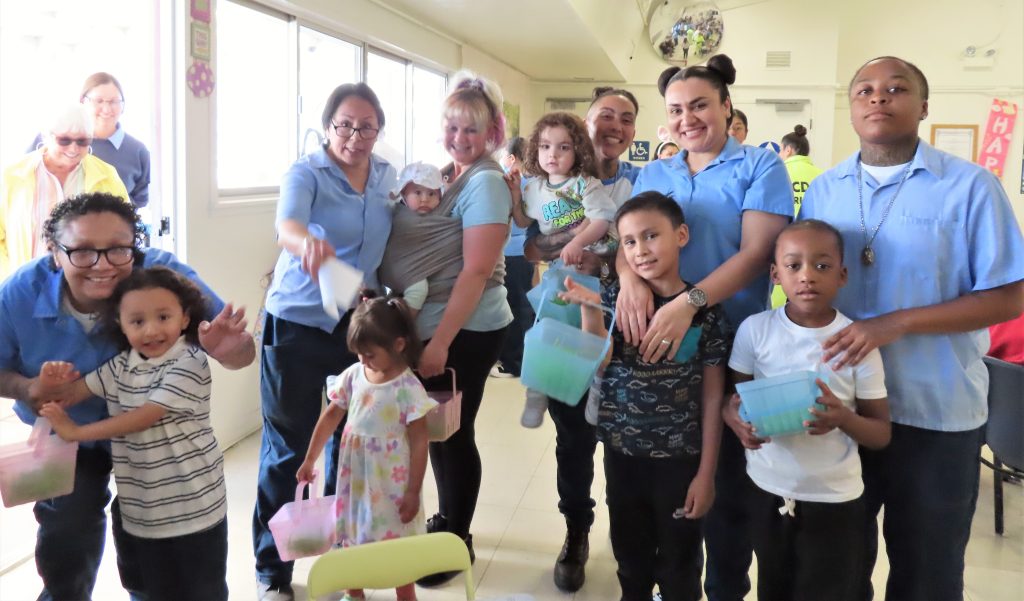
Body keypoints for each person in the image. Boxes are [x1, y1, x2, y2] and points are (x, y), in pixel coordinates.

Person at [800, 56, 1024, 601]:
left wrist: (895, 324)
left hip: (937, 414)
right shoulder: (825, 190)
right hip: (845, 409)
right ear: (851, 108)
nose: (879, 98)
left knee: (928, 575)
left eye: (896, 89)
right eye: (865, 90)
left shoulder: (971, 187)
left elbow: (1010, 294)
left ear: (923, 107)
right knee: (836, 571)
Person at [0, 192, 253, 601]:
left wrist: (229, 350)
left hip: (160, 445)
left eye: (118, 249)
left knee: (161, 550)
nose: (102, 265)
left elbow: (240, 353)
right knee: (66, 535)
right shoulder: (19, 294)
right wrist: (28, 388)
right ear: (55, 254)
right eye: (81, 251)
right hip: (66, 435)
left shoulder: (168, 279)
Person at [625, 55, 792, 601]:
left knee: (729, 483)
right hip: (662, 348)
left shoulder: (759, 168)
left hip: (735, 344)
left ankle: (724, 588)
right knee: (674, 473)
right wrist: (629, 280)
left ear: (726, 107)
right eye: (676, 110)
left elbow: (755, 254)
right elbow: (630, 240)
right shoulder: (656, 172)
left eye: (700, 105)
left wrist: (688, 303)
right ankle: (672, 582)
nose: (687, 118)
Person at [253, 82, 395, 601]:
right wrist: (305, 242)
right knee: (289, 449)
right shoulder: (306, 172)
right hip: (294, 323)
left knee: (348, 443)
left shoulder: (386, 177)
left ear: (379, 130)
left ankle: (336, 558)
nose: (355, 136)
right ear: (328, 125)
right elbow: (286, 225)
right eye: (345, 125)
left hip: (353, 325)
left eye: (367, 127)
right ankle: (273, 573)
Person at [563, 192, 727, 601]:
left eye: (651, 236)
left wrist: (706, 475)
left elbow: (712, 399)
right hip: (623, 455)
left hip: (681, 462)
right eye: (630, 242)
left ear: (682, 235)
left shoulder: (706, 314)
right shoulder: (614, 297)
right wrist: (589, 310)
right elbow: (598, 365)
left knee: (680, 567)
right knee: (630, 562)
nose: (640, 250)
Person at [387, 71, 511, 588]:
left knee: (452, 436)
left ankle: (456, 538)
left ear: (491, 135)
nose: (460, 139)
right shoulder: (448, 175)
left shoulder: (483, 181)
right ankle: (447, 523)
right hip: (440, 329)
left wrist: (439, 343)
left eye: (471, 131)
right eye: (452, 127)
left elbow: (477, 271)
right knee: (436, 434)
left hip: (465, 332)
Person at [38, 266, 228, 601]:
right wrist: (54, 381)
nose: (151, 330)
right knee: (150, 590)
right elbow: (73, 392)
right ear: (121, 326)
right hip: (140, 515)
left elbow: (144, 417)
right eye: (137, 322)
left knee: (201, 593)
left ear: (184, 318)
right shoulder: (121, 365)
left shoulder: (189, 361)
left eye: (163, 317)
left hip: (194, 514)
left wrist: (76, 432)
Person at [724, 220, 891, 601]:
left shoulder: (856, 342)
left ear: (843, 274)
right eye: (793, 265)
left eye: (822, 265)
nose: (807, 277)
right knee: (773, 587)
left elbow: (881, 433)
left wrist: (843, 419)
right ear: (775, 275)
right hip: (767, 488)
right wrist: (736, 422)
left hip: (833, 498)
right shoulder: (755, 330)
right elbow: (732, 401)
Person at [522, 85, 641, 593]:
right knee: (573, 438)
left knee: (627, 441)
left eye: (626, 118)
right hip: (569, 309)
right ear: (585, 128)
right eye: (604, 116)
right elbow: (530, 245)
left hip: (630, 323)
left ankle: (636, 541)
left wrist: (607, 260)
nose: (614, 125)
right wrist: (560, 248)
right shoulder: (550, 186)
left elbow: (648, 245)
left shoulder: (642, 184)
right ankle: (576, 531)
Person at [297, 295, 434, 601]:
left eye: (369, 354)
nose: (362, 360)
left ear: (399, 345)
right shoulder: (354, 375)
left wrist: (413, 490)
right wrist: (310, 458)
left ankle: (405, 594)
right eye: (358, 353)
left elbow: (420, 441)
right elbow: (331, 415)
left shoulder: (408, 388)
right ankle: (353, 591)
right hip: (355, 477)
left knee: (395, 538)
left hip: (391, 483)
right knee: (351, 531)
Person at [508, 111, 616, 429]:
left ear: (578, 151)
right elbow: (523, 221)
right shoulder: (535, 188)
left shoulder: (586, 184)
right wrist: (515, 196)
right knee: (547, 327)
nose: (552, 155)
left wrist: (579, 241)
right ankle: (537, 389)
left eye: (563, 147)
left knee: (592, 338)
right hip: (560, 273)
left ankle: (597, 391)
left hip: (592, 273)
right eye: (544, 147)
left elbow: (601, 220)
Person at [2, 104, 129, 279]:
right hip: (24, 285)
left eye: (82, 141)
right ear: (47, 136)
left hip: (88, 287)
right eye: (64, 140)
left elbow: (124, 233)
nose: (73, 149)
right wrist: (11, 277)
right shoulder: (12, 176)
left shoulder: (107, 176)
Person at [30, 73, 151, 208]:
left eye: (114, 101)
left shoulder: (138, 151)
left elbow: (140, 200)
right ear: (83, 102)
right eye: (99, 101)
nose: (106, 109)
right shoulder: (51, 137)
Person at [493, 136, 534, 378]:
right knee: (522, 307)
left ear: (511, 158)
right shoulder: (530, 184)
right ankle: (518, 359)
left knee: (514, 309)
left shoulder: (513, 183)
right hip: (523, 253)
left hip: (511, 253)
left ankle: (513, 363)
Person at [771, 124, 823, 308]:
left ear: (788, 149)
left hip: (783, 251)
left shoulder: (775, 175)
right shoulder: (822, 177)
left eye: (780, 150)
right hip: (817, 254)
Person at [386, 161, 444, 315]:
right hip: (398, 266)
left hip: (412, 267)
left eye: (431, 194)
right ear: (403, 195)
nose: (424, 199)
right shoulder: (397, 213)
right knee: (419, 289)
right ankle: (406, 322)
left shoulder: (438, 216)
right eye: (417, 193)